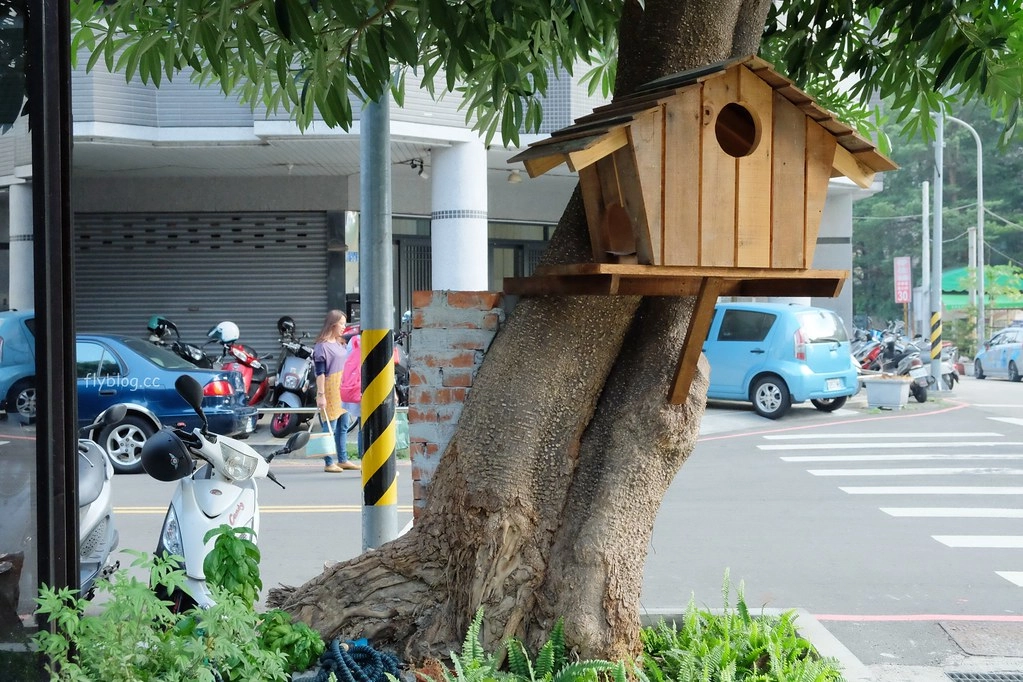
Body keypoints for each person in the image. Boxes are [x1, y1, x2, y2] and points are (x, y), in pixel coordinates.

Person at [313, 310, 358, 472]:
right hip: (329, 389)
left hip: (342, 389)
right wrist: (321, 395)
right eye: (342, 324)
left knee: (344, 425)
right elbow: (320, 374)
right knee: (329, 426)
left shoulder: (340, 343)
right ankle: (328, 462)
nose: (344, 327)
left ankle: (343, 459)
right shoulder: (322, 347)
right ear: (333, 325)